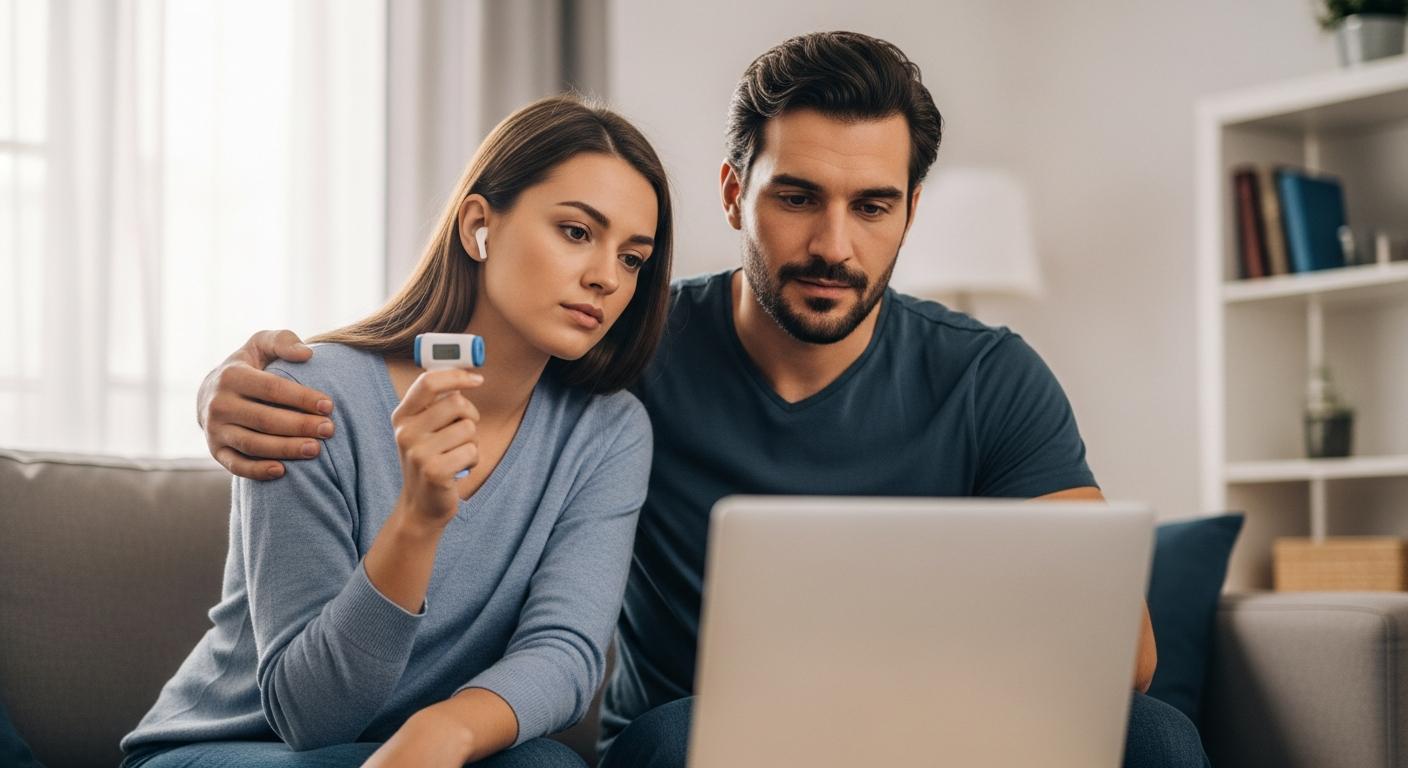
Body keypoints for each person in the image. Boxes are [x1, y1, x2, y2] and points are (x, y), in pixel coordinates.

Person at [194, 32, 1209, 768]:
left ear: (910, 211)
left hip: (959, 721)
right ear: (733, 195)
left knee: (1157, 733)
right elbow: (461, 347)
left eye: (873, 205)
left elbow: (1121, 657)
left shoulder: (991, 376)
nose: (833, 245)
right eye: (796, 196)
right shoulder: (625, 349)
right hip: (704, 728)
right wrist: (226, 389)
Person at [121, 94, 674, 768]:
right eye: (577, 232)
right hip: (238, 750)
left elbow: (563, 652)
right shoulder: (312, 397)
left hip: (427, 750)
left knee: (547, 766)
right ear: (479, 226)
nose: (604, 279)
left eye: (633, 259)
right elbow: (309, 715)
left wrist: (451, 729)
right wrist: (418, 520)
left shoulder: (609, 433)